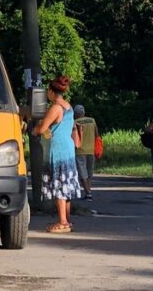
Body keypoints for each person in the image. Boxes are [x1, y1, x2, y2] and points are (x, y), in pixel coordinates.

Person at [32, 75, 81, 234]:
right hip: (68, 148)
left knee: (59, 184)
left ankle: (63, 222)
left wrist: (35, 129)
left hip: (58, 149)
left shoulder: (55, 108)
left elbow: (41, 128)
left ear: (52, 92)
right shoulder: (69, 107)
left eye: (48, 91)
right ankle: (67, 220)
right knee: (66, 184)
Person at [74, 105, 99, 200]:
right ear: (84, 112)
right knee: (89, 172)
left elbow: (73, 136)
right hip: (91, 150)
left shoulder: (75, 122)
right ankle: (89, 190)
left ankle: (88, 192)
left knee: (82, 173)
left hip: (80, 150)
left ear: (76, 113)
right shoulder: (92, 120)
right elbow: (97, 134)